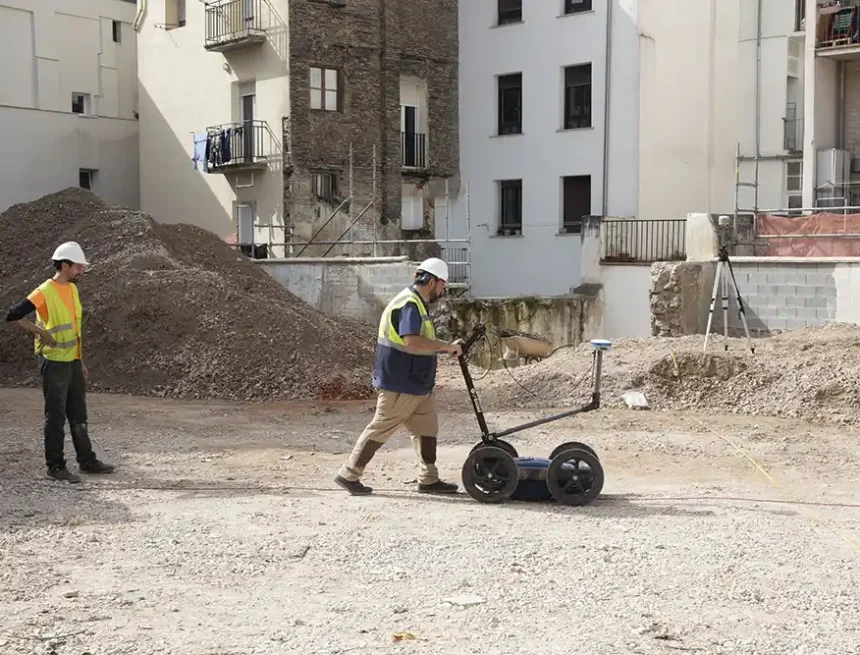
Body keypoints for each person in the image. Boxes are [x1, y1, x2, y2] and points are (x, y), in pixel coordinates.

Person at [334, 257, 463, 496]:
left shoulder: (418, 303)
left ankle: (429, 479)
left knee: (427, 431)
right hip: (400, 383)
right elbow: (412, 342)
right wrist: (446, 347)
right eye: (443, 285)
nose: (443, 290)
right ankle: (348, 474)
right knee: (380, 429)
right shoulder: (409, 305)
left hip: (417, 384)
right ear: (432, 281)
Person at [4, 242, 115, 483]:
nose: (81, 272)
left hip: (72, 361)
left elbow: (74, 329)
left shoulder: (73, 290)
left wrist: (81, 360)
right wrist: (41, 333)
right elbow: (13, 315)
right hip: (53, 363)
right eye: (77, 267)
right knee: (55, 416)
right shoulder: (45, 290)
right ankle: (55, 466)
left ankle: (87, 461)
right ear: (64, 266)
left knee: (79, 414)